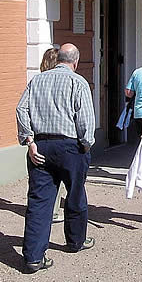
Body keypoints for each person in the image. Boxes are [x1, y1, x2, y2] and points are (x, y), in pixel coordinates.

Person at [16, 43, 96, 272]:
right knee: (75, 195)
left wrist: (29, 141)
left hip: (40, 145)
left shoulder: (37, 80)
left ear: (58, 58)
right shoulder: (78, 82)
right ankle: (75, 241)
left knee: (39, 202)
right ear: (76, 61)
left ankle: (33, 256)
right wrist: (86, 144)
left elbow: (21, 110)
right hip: (70, 146)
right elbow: (86, 120)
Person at [39, 48, 67, 224]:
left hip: (40, 137)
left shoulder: (38, 81)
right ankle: (54, 212)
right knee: (59, 178)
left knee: (42, 179)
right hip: (61, 136)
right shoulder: (64, 81)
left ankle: (46, 211)